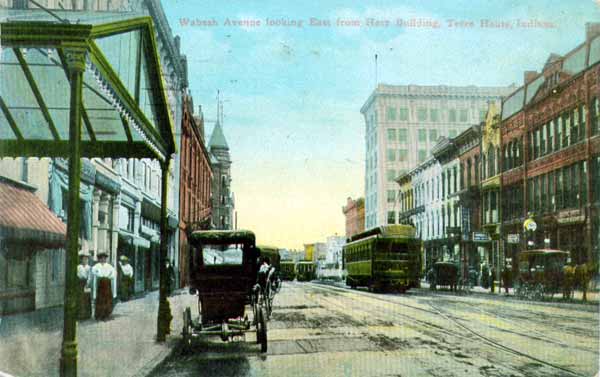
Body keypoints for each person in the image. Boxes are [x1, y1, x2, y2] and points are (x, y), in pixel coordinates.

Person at [92, 251, 116, 320]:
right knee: (100, 299)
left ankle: (106, 314)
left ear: (106, 259)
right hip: (100, 284)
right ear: (99, 259)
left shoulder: (109, 266)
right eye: (101, 258)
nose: (103, 260)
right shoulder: (96, 266)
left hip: (107, 284)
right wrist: (100, 276)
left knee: (107, 299)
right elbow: (94, 272)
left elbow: (113, 273)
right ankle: (99, 314)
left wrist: (108, 276)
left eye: (104, 258)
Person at [77, 251, 92, 320]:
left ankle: (87, 314)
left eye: (86, 259)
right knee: (80, 298)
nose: (85, 260)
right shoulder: (78, 267)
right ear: (81, 259)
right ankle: (80, 314)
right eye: (83, 259)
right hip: (80, 283)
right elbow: (77, 275)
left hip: (86, 283)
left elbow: (89, 276)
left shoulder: (89, 267)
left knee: (86, 298)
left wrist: (88, 283)